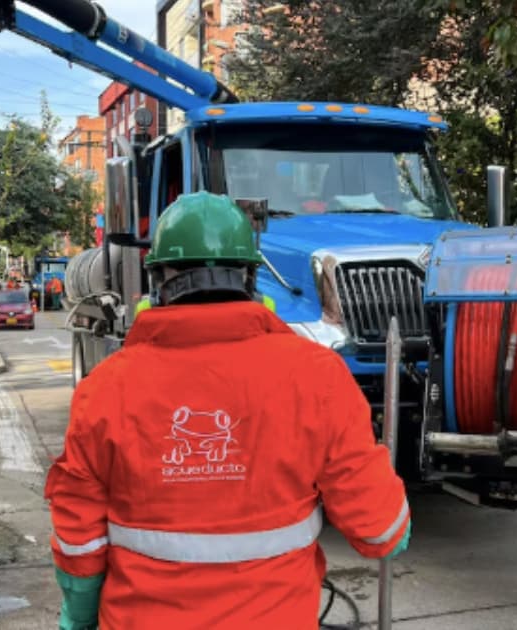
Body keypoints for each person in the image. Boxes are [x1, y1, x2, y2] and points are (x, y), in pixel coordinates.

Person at [44, 193, 410, 629]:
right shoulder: (317, 376)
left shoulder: (105, 388)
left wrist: (78, 619)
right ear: (250, 278)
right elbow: (381, 533)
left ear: (158, 281)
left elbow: (80, 544)